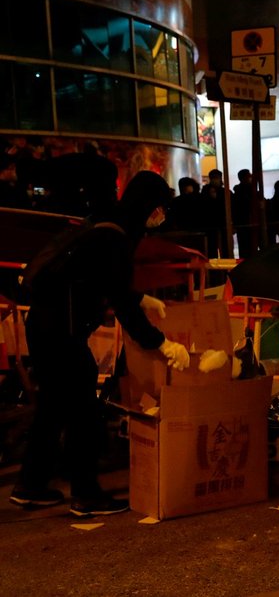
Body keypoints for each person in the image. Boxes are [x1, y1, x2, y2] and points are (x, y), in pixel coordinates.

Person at [10, 171, 190, 517]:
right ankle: (86, 494)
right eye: (158, 207)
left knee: (52, 407)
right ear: (146, 205)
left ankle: (29, 486)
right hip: (62, 330)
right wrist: (161, 343)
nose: (160, 215)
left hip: (44, 325)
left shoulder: (105, 224)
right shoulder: (114, 238)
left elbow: (103, 282)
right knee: (84, 412)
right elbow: (119, 300)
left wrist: (142, 299)